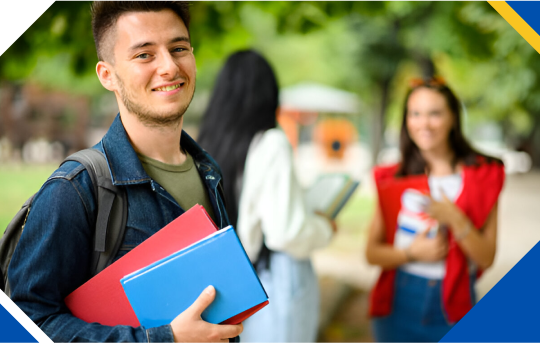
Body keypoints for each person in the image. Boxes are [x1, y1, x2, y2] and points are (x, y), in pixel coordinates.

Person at [8, 1, 243, 342]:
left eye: (178, 48)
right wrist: (165, 338)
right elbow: (26, 324)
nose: (169, 67)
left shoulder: (208, 170)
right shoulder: (75, 188)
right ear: (108, 75)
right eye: (145, 55)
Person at [197, 50, 336, 343]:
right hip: (270, 284)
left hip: (224, 288)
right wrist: (324, 228)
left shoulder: (204, 144)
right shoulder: (271, 142)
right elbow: (285, 233)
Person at [365, 77, 505, 343]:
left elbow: (486, 258)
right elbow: (372, 253)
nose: (423, 124)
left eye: (435, 114)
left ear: (453, 117)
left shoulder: (484, 175)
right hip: (398, 303)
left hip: (453, 307)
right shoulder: (393, 177)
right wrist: (410, 253)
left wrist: (455, 218)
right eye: (415, 114)